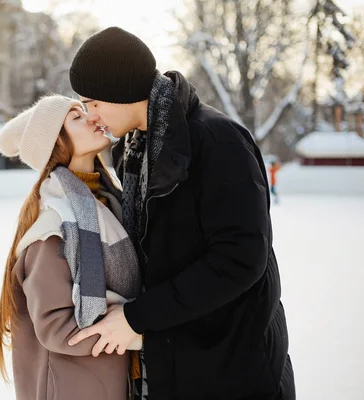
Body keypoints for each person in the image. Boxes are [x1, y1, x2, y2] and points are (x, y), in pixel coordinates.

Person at [66, 27, 295, 399]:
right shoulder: (133, 150)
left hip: (233, 368)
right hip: (177, 362)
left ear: (120, 91)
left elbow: (240, 259)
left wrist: (138, 317)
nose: (92, 116)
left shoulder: (218, 141)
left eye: (93, 102)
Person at [0, 95, 143, 400]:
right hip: (73, 388)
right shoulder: (54, 226)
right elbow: (57, 327)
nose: (92, 117)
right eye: (76, 118)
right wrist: (138, 330)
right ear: (55, 142)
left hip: (112, 382)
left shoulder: (110, 202)